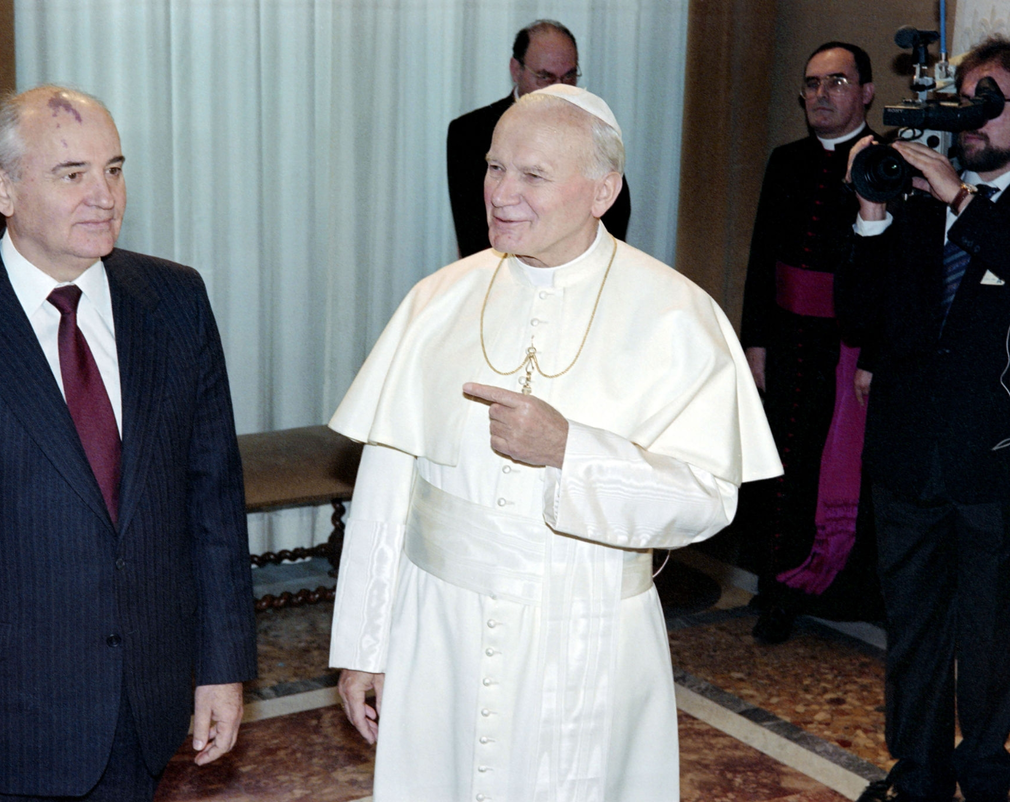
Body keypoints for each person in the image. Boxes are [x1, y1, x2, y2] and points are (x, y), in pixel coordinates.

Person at [330, 84, 781, 802]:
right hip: (438, 629)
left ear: (603, 190)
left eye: (532, 175)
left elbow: (706, 501)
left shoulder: (676, 316)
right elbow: (386, 494)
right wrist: (362, 648)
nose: (501, 194)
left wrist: (572, 449)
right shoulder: (436, 299)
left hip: (588, 627)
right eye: (494, 168)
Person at [0, 85, 256, 802]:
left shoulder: (176, 300)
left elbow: (211, 499)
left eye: (116, 169)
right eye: (73, 174)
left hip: (144, 708)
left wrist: (221, 664)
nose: (105, 195)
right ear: (2, 188)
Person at [838, 36, 1010, 802]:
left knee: (992, 641)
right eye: (965, 99)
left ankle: (988, 773)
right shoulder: (911, 202)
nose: (972, 117)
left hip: (992, 459)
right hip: (908, 454)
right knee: (913, 632)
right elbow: (860, 319)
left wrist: (961, 200)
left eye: (992, 101)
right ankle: (918, 776)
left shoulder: (970, 202)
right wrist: (873, 215)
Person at [741, 42, 882, 644]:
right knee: (783, 468)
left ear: (867, 93)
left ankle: (838, 591)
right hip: (789, 339)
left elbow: (891, 272)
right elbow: (761, 257)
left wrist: (873, 352)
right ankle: (778, 590)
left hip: (848, 345)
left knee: (838, 472)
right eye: (811, 84)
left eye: (836, 82)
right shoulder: (786, 159)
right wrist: (755, 341)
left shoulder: (887, 163)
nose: (820, 95)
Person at [447, 19, 631, 257]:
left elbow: (614, 213)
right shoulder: (470, 131)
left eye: (568, 76)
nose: (558, 86)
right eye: (545, 76)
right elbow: (472, 230)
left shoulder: (593, 126)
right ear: (516, 70)